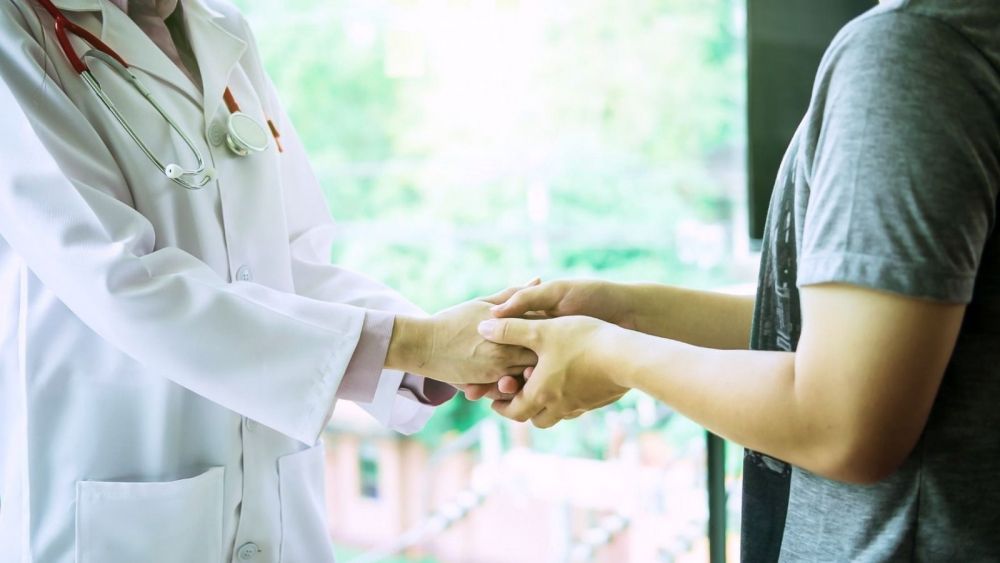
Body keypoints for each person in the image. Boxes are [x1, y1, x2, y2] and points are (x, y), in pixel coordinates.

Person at [0, 1, 532, 562]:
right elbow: (121, 280)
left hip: (274, 501)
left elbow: (289, 259)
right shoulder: (16, 27)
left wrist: (452, 343)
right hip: (113, 499)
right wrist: (422, 344)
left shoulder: (221, 30)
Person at [475, 0, 1000, 560]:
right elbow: (870, 341)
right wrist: (633, 317)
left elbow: (840, 425)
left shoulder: (912, 51)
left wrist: (610, 354)